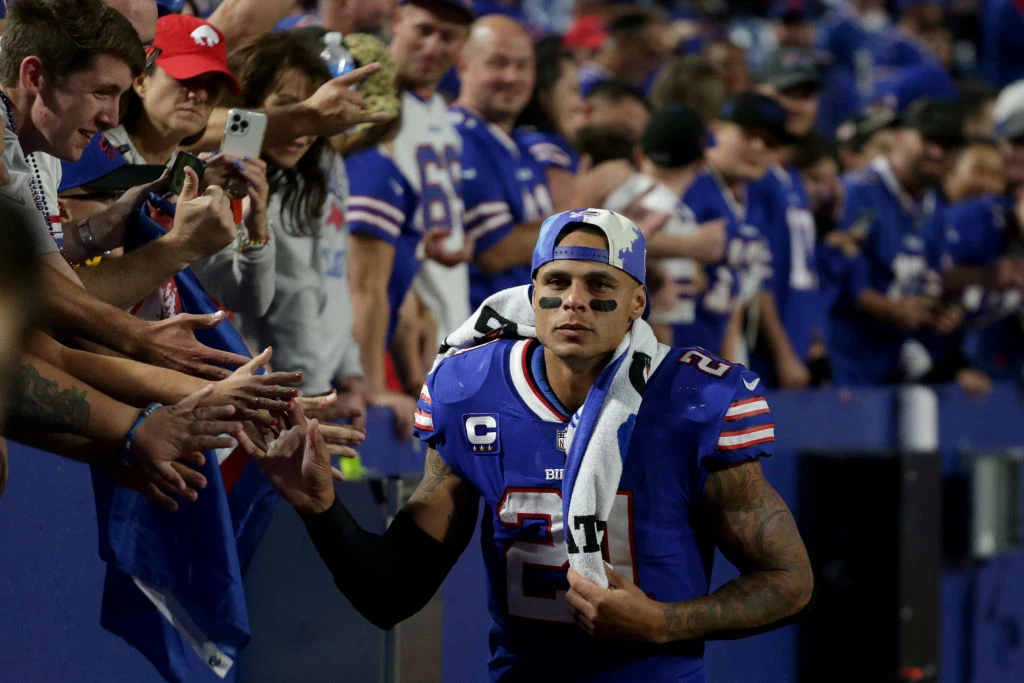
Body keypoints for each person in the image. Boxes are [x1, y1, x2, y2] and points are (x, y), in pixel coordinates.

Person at [255, 208, 813, 682]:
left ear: (636, 302)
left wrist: (664, 622)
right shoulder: (469, 391)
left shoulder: (695, 401)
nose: (574, 301)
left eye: (599, 286)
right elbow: (392, 595)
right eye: (557, 283)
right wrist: (322, 509)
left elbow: (788, 581)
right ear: (533, 294)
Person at [230, 30, 367, 422]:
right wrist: (314, 390)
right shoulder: (253, 181)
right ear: (251, 107)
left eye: (314, 113)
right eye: (289, 109)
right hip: (271, 388)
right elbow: (292, 292)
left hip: (315, 378)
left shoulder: (322, 167)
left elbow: (332, 273)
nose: (303, 128)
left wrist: (350, 368)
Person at [345, 0, 473, 419]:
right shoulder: (371, 109)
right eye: (425, 30)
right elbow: (365, 257)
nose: (434, 46)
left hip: (433, 312)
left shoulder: (441, 111)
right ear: (397, 22)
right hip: (382, 321)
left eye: (448, 36)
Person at [825, 98, 964, 386]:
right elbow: (830, 276)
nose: (937, 152)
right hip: (845, 359)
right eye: (928, 140)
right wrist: (890, 308)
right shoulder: (857, 191)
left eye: (948, 145)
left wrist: (937, 313)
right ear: (899, 137)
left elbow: (930, 277)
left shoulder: (934, 204)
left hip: (894, 362)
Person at [451, 16, 554, 309]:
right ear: (463, 66)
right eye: (498, 63)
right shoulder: (457, 138)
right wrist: (584, 218)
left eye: (522, 66)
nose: (511, 77)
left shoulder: (520, 144)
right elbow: (495, 250)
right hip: (481, 335)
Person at [676, 93, 787, 360]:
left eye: (770, 143)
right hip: (670, 348)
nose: (759, 148)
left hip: (712, 348)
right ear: (715, 131)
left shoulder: (754, 199)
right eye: (748, 135)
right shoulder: (689, 185)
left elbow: (737, 292)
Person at [751, 48, 827, 389]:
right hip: (763, 356)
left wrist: (813, 336)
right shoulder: (755, 176)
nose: (797, 106)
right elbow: (757, 275)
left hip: (795, 345)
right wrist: (783, 353)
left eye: (806, 96)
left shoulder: (791, 175)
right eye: (786, 93)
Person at [514, 36, 584, 210]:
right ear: (545, 96)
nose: (581, 104)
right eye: (574, 91)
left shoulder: (521, 139)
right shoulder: (542, 149)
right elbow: (571, 220)